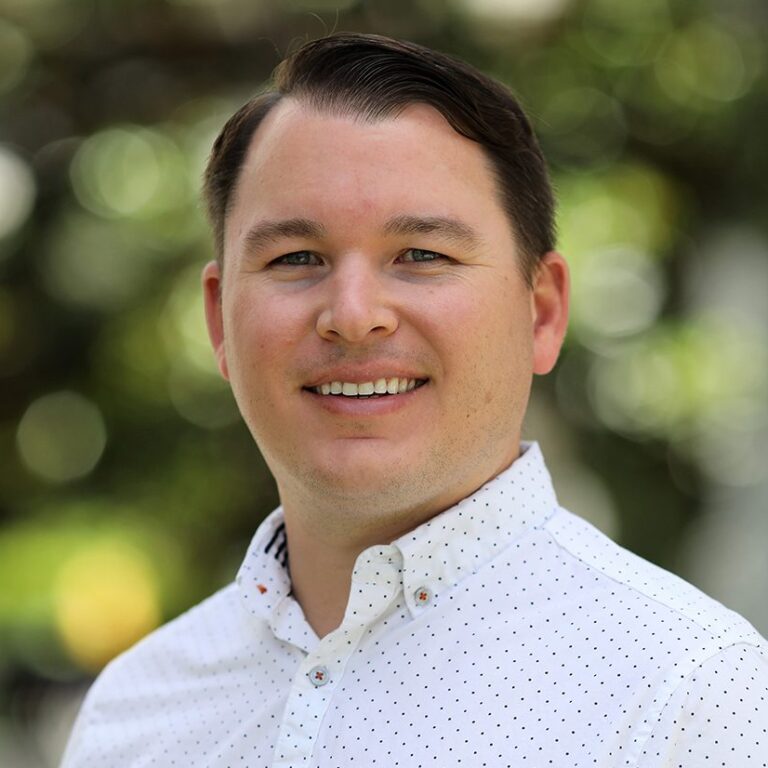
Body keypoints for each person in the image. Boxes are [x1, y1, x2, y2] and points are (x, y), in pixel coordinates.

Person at [61, 33, 768, 767]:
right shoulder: (132, 715)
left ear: (543, 312)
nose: (354, 313)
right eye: (296, 258)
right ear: (219, 321)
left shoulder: (693, 695)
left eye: (423, 256)